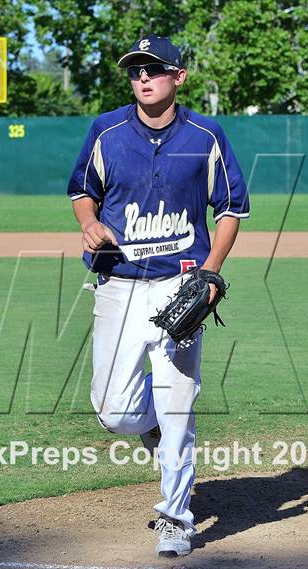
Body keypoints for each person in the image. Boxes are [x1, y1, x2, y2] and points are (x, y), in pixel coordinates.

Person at [67, 34, 249, 559]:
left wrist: (211, 274)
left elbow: (231, 208)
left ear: (178, 77)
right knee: (115, 412)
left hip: (179, 284)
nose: (142, 77)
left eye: (154, 69)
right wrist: (90, 223)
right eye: (135, 70)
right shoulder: (106, 131)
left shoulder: (205, 134)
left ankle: (175, 517)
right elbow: (83, 190)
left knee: (177, 406)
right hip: (119, 282)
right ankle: (148, 427)